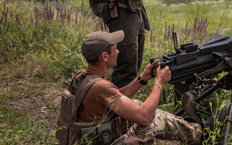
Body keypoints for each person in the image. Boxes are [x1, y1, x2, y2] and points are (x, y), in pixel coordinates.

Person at [69, 30, 206, 144]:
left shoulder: (83, 77)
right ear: (104, 56)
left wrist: (142, 78)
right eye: (115, 49)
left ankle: (191, 126)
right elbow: (144, 117)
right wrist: (159, 83)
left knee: (135, 104)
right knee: (153, 121)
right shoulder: (100, 86)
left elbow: (115, 97)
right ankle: (199, 133)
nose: (117, 52)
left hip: (90, 138)